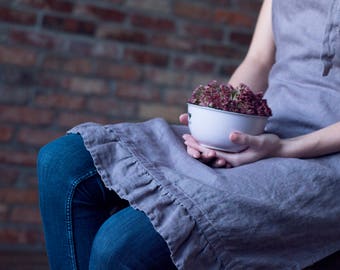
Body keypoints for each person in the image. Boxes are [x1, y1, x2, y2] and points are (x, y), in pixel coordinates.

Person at [37, 0, 340, 269]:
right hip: (264, 131)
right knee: (61, 162)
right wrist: (219, 120)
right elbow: (258, 61)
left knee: (120, 244)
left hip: (324, 155)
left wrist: (282, 148)